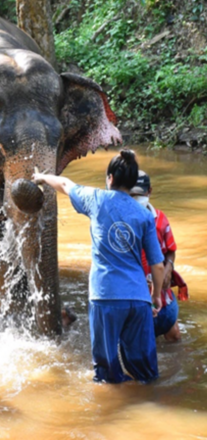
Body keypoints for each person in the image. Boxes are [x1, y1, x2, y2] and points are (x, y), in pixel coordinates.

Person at [33, 149, 165, 384]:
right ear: (133, 182)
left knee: (106, 374)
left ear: (110, 179)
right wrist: (155, 297)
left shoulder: (96, 199)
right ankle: (149, 404)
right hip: (138, 299)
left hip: (105, 296)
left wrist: (41, 178)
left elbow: (64, 183)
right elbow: (157, 265)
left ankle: (114, 411)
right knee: (146, 374)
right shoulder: (144, 215)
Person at [130, 170, 188, 342]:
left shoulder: (160, 220)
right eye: (132, 194)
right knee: (141, 340)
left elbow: (171, 249)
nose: (136, 199)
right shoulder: (124, 223)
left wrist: (169, 266)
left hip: (160, 289)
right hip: (136, 292)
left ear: (149, 192)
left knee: (174, 335)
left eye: (139, 194)